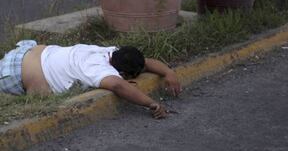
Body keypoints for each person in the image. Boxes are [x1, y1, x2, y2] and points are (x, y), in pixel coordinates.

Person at [0, 40, 182, 119]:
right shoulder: (99, 70)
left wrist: (169, 73)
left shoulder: (109, 52)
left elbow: (146, 63)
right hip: (14, 76)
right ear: (124, 74)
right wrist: (153, 104)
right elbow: (118, 86)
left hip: (26, 52)